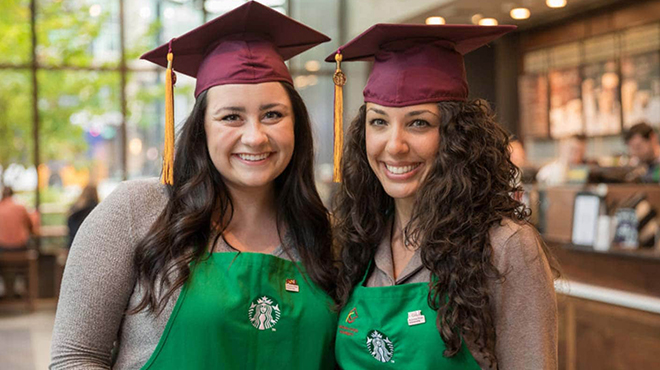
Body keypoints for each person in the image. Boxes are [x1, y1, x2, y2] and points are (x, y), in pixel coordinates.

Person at [50, 3, 337, 369]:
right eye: (231, 116)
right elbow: (76, 357)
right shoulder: (135, 212)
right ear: (202, 128)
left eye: (273, 114)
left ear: (296, 123)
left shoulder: (324, 233)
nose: (255, 136)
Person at [328, 24, 559, 369]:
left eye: (418, 123)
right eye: (379, 122)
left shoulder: (505, 246)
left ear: (456, 137)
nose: (394, 145)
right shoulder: (358, 241)